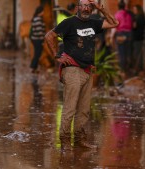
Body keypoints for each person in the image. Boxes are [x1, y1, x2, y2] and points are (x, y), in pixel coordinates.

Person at [45, 0, 118, 151]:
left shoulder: (93, 23)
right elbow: (49, 36)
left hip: (87, 70)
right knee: (70, 108)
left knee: (84, 110)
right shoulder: (69, 23)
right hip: (72, 69)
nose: (85, 9)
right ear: (78, 7)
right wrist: (56, 55)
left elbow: (115, 23)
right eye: (83, 5)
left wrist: (101, 9)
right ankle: (65, 140)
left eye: (88, 6)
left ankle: (79, 139)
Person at [112, 0, 133, 78]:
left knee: (122, 54)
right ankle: (128, 71)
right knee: (128, 53)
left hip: (121, 34)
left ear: (118, 6)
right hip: (129, 34)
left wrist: (111, 37)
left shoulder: (117, 14)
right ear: (124, 6)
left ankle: (123, 71)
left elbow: (115, 26)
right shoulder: (128, 14)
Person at [131, 4, 145, 76]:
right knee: (140, 54)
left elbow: (134, 26)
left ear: (138, 10)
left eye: (135, 10)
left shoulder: (137, 18)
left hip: (137, 38)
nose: (134, 11)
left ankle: (138, 69)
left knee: (137, 54)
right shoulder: (143, 17)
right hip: (141, 37)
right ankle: (140, 69)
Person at [29, 6, 46, 73]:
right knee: (37, 54)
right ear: (40, 12)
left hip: (35, 39)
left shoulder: (36, 18)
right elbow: (39, 31)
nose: (44, 12)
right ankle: (32, 67)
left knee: (37, 53)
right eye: (43, 11)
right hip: (38, 39)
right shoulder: (38, 19)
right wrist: (42, 40)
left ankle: (34, 68)